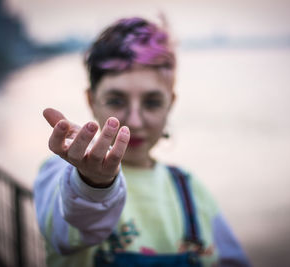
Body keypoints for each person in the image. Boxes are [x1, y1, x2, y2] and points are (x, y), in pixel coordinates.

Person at [34, 16, 251, 267]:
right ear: (91, 101)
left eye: (152, 102)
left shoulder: (192, 190)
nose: (134, 122)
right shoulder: (61, 174)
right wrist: (93, 184)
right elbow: (72, 226)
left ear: (171, 104)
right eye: (116, 100)